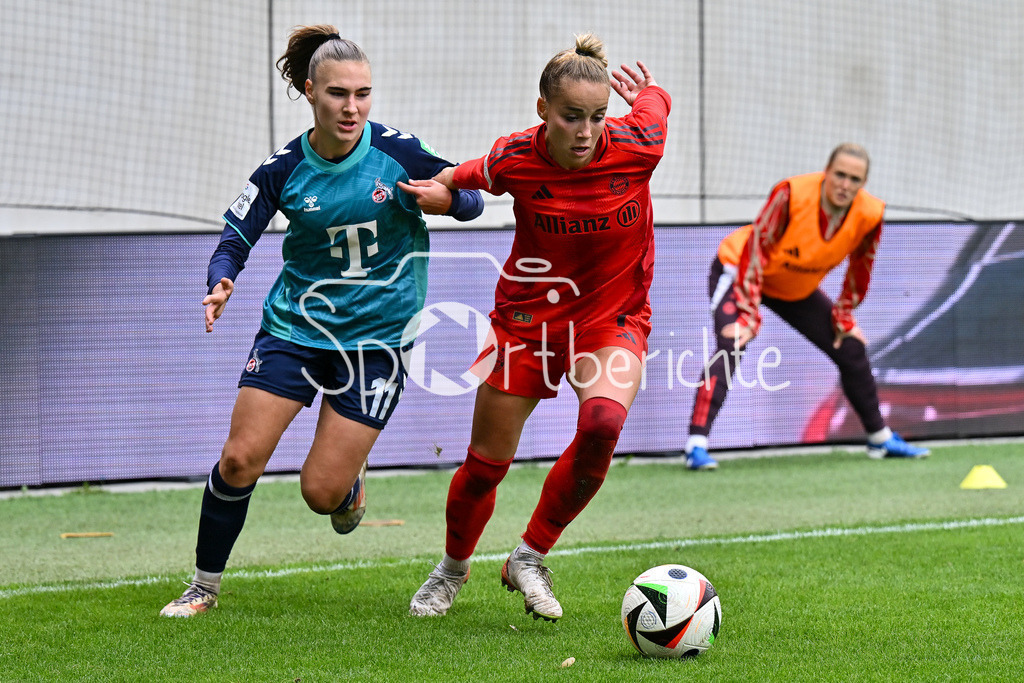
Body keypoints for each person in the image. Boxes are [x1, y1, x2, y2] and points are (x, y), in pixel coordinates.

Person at [159, 25, 483, 617]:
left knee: (320, 493)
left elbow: (470, 195)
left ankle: (348, 482)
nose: (352, 107)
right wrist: (221, 280)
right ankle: (203, 586)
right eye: (338, 93)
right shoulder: (284, 167)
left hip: (378, 340)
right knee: (238, 459)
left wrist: (449, 201)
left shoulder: (398, 152)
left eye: (363, 93)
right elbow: (235, 236)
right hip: (296, 328)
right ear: (311, 92)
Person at [407, 33, 670, 622]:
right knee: (485, 467)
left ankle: (530, 555)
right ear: (543, 110)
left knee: (603, 423)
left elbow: (659, 104)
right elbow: (462, 176)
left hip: (612, 318)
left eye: (597, 116)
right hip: (524, 324)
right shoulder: (515, 157)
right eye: (572, 116)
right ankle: (451, 569)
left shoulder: (639, 144)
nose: (586, 131)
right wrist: (441, 194)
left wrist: (648, 94)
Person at [681, 143, 930, 471]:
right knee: (733, 343)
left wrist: (844, 315)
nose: (845, 184)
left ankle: (879, 439)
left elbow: (861, 267)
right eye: (839, 175)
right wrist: (749, 314)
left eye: (854, 179)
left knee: (850, 346)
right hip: (741, 270)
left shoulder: (870, 214)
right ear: (826, 172)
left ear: (864, 183)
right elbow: (756, 251)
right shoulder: (791, 195)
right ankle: (696, 445)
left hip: (791, 286)